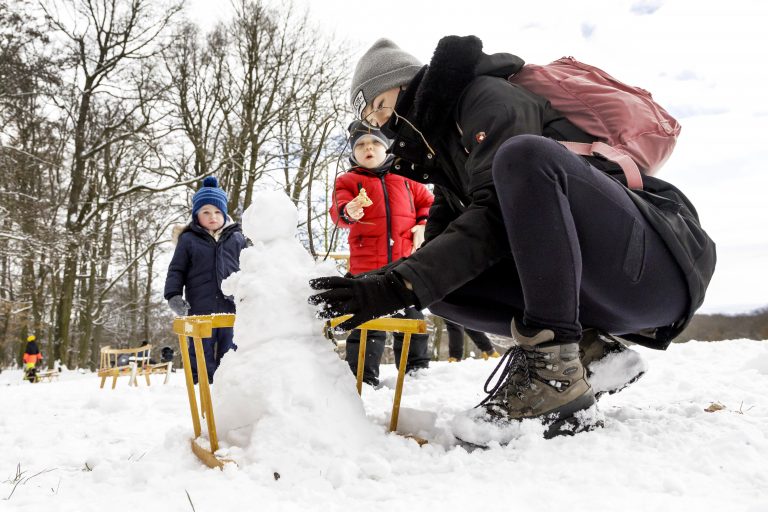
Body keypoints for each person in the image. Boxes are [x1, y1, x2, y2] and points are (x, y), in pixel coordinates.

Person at [309, 36, 715, 438]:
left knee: (524, 156)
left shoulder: (486, 97)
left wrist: (394, 287)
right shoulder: (444, 167)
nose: (378, 123)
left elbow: (496, 214)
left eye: (380, 105)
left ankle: (552, 370)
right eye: (369, 116)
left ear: (409, 85)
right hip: (603, 293)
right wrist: (366, 289)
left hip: (653, 267)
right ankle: (590, 351)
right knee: (440, 286)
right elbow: (434, 256)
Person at [330, 121, 434, 386]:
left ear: (386, 147)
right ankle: (362, 376)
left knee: (411, 320)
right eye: (361, 145)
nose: (368, 148)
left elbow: (429, 204)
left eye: (375, 142)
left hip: (405, 264)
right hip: (366, 265)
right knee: (367, 323)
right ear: (354, 153)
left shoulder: (407, 178)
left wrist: (423, 225)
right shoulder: (348, 180)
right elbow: (339, 210)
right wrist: (348, 211)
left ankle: (416, 372)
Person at [164, 176, 247, 384]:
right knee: (201, 347)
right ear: (196, 215)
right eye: (206, 212)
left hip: (231, 306)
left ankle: (228, 385)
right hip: (200, 305)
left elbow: (249, 268)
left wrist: (250, 293)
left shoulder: (237, 238)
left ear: (225, 213)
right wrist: (173, 295)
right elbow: (177, 269)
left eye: (218, 212)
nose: (213, 217)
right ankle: (201, 383)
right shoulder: (188, 239)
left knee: (231, 347)